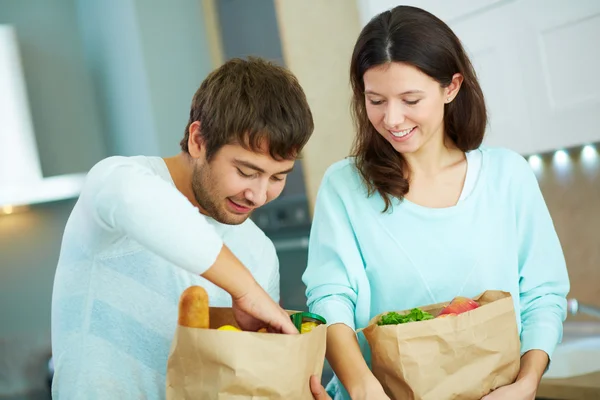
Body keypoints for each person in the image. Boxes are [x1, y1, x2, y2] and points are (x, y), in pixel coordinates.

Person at [302, 6, 570, 400]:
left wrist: (526, 384)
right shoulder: (344, 186)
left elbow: (543, 296)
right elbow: (330, 300)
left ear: (451, 87)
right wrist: (362, 387)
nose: (393, 118)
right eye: (375, 100)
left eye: (410, 99)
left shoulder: (507, 176)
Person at [51, 57, 324, 398]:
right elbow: (143, 204)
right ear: (198, 139)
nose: (258, 194)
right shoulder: (115, 184)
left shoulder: (260, 252)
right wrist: (247, 291)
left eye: (277, 177)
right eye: (246, 171)